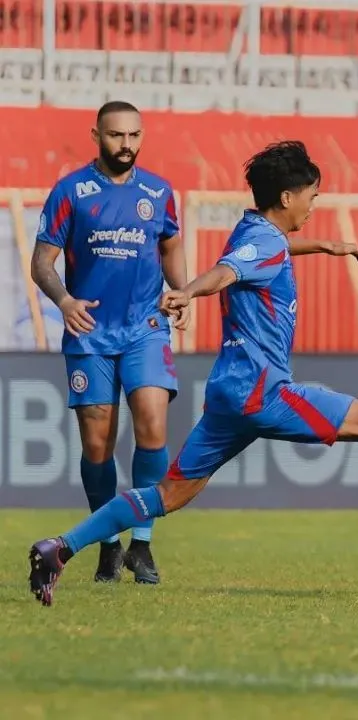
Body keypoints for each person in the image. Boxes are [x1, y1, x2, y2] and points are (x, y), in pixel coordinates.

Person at [27, 141, 358, 607]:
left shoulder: (253, 228)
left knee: (167, 494)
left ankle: (59, 548)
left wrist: (327, 246)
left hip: (228, 391)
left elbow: (265, 251)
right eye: (312, 196)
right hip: (261, 391)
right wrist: (188, 291)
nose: (315, 206)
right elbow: (227, 272)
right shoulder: (262, 244)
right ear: (288, 198)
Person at [30, 100, 187, 585]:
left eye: (135, 136)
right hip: (90, 335)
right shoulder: (70, 191)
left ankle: (141, 544)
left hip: (145, 328)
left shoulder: (158, 192)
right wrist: (64, 301)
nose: (127, 145)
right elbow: (41, 263)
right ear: (96, 134)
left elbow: (170, 244)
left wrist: (179, 291)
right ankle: (107, 545)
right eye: (117, 136)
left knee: (153, 427)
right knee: (97, 446)